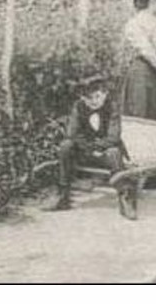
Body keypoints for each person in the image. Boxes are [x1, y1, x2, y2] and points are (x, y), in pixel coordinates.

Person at [51, 73, 133, 217]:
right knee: (66, 146)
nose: (94, 101)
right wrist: (90, 149)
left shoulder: (112, 107)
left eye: (98, 96)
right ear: (83, 98)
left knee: (114, 152)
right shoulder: (79, 107)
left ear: (105, 94)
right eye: (89, 98)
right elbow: (72, 133)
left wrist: (99, 148)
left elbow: (114, 137)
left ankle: (124, 197)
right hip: (85, 152)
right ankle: (63, 195)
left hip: (106, 152)